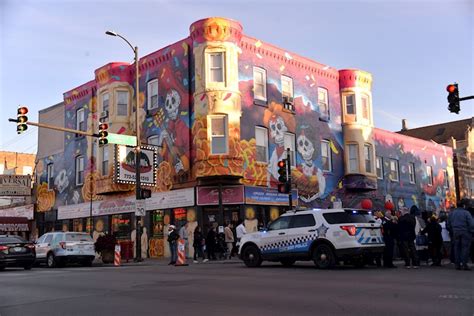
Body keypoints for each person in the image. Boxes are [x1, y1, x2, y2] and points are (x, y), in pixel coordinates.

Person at [447, 201, 474, 270]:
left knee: (456, 248)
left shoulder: (452, 213)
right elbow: (471, 224)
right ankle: (464, 264)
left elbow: (448, 224)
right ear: (463, 206)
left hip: (455, 232)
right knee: (465, 248)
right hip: (465, 232)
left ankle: (457, 264)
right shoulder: (466, 213)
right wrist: (471, 231)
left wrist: (451, 230)